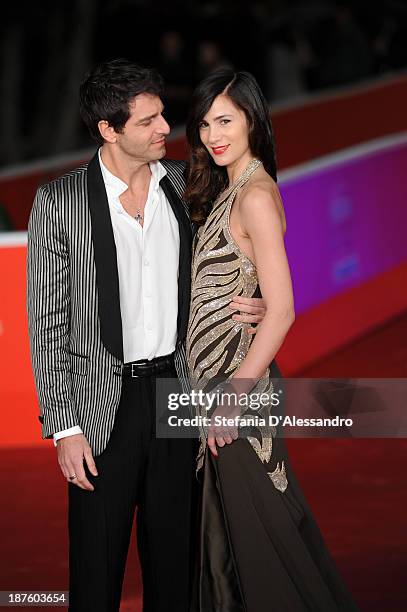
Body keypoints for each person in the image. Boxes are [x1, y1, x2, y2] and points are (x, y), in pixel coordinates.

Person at [26, 59, 266, 612]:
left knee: (175, 569)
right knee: (95, 571)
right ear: (109, 130)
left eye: (164, 114)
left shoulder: (187, 185)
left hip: (176, 394)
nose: (166, 128)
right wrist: (64, 428)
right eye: (148, 121)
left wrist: (255, 297)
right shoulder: (59, 203)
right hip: (98, 408)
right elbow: (47, 324)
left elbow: (240, 245)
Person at [184, 69, 360, 611]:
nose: (213, 134)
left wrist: (232, 399)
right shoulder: (228, 187)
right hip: (211, 385)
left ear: (253, 122)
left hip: (237, 389)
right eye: (206, 123)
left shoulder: (255, 194)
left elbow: (282, 310)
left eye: (226, 120)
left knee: (263, 542)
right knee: (227, 542)